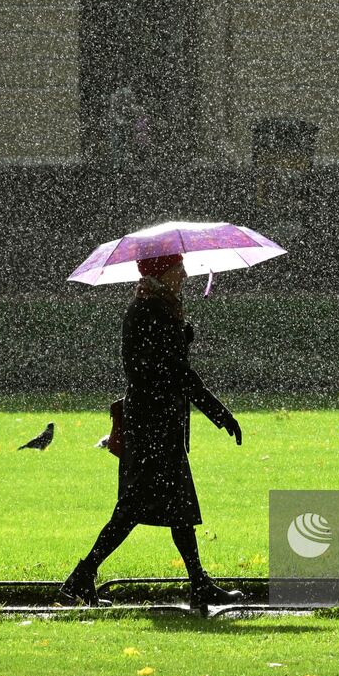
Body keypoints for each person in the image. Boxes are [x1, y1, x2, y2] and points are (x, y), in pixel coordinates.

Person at [58, 253, 246, 607]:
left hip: (156, 424)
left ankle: (197, 583)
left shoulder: (158, 307)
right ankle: (82, 576)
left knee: (178, 508)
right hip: (152, 427)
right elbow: (174, 373)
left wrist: (180, 336)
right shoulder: (151, 311)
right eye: (179, 268)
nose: (186, 273)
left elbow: (166, 368)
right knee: (137, 509)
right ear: (163, 272)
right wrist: (220, 413)